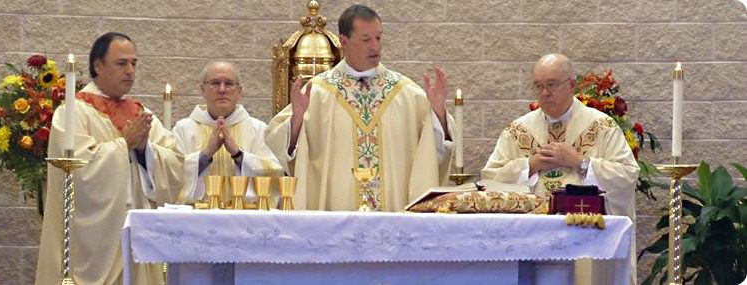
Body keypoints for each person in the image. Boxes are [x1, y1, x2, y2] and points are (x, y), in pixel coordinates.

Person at [266, 4, 454, 212]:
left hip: (393, 217)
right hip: (336, 217)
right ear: (344, 42)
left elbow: (433, 150)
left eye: (379, 38)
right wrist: (296, 122)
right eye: (366, 40)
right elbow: (280, 150)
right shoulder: (318, 93)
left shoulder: (406, 94)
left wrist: (438, 113)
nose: (375, 46)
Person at [36, 32, 183, 285]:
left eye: (134, 63)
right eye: (121, 63)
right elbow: (76, 173)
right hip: (94, 244)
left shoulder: (142, 114)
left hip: (138, 239)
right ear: (98, 65)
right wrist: (124, 143)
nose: (130, 71)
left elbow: (175, 167)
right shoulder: (73, 113)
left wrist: (144, 149)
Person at [481, 53, 639, 284]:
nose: (545, 93)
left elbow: (627, 175)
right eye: (538, 86)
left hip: (586, 234)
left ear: (572, 84)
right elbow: (490, 179)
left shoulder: (601, 126)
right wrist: (531, 165)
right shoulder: (518, 130)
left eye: (552, 84)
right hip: (531, 239)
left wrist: (579, 162)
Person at [173, 61, 282, 205]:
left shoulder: (258, 130)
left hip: (245, 220)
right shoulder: (183, 129)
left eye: (229, 84)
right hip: (197, 219)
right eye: (215, 83)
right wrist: (205, 155)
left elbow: (275, 173)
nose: (222, 89)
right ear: (202, 90)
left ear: (239, 91)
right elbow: (170, 174)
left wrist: (238, 154)